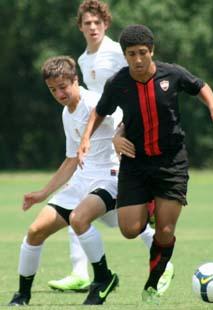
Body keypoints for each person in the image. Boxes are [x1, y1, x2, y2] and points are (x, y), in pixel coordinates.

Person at [77, 24, 213, 304]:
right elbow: (100, 112)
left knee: (164, 231)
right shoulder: (118, 83)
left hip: (171, 162)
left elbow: (200, 86)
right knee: (128, 229)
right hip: (136, 164)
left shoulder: (171, 74)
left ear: (152, 51)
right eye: (131, 54)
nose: (137, 60)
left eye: (142, 53)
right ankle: (150, 204)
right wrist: (85, 139)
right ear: (124, 55)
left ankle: (153, 282)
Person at [48, 0, 174, 295]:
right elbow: (97, 104)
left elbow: (139, 88)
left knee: (122, 212)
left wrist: (123, 130)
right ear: (79, 27)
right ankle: (80, 272)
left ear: (106, 24)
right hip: (102, 139)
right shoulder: (83, 59)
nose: (92, 27)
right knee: (79, 200)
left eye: (97, 22)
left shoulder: (118, 52)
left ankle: (161, 260)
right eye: (87, 23)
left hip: (125, 138)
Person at [8, 56, 121, 306]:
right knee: (35, 231)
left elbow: (126, 121)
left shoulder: (96, 102)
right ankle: (23, 294)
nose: (59, 93)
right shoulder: (66, 113)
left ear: (75, 80)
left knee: (79, 219)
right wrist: (42, 193)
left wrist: (122, 139)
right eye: (52, 89)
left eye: (63, 87)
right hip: (82, 179)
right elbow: (71, 160)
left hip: (109, 176)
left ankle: (103, 279)